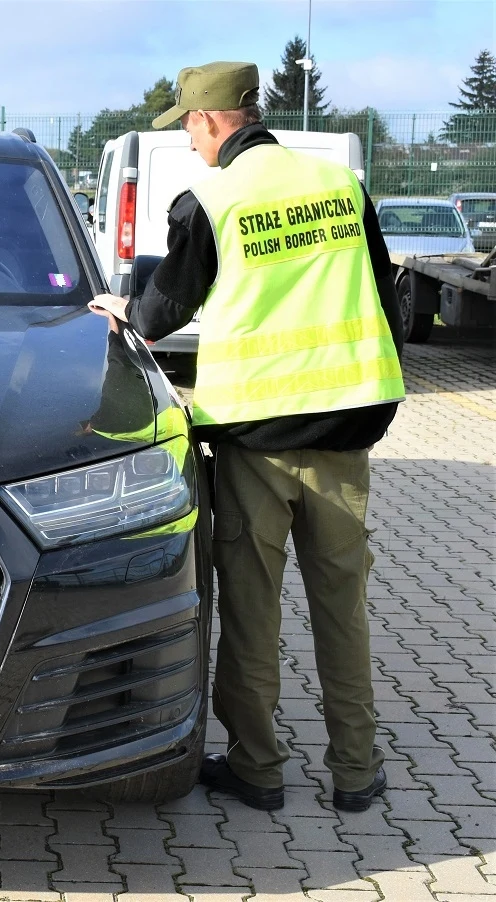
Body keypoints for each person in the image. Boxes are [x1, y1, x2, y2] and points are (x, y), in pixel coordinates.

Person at [89, 61, 404, 812]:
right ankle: (356, 773)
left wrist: (121, 306)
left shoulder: (213, 200)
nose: (189, 141)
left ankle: (259, 770)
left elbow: (163, 309)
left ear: (207, 120)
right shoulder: (340, 187)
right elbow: (385, 291)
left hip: (255, 442)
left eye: (187, 127)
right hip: (345, 432)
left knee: (253, 609)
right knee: (341, 607)